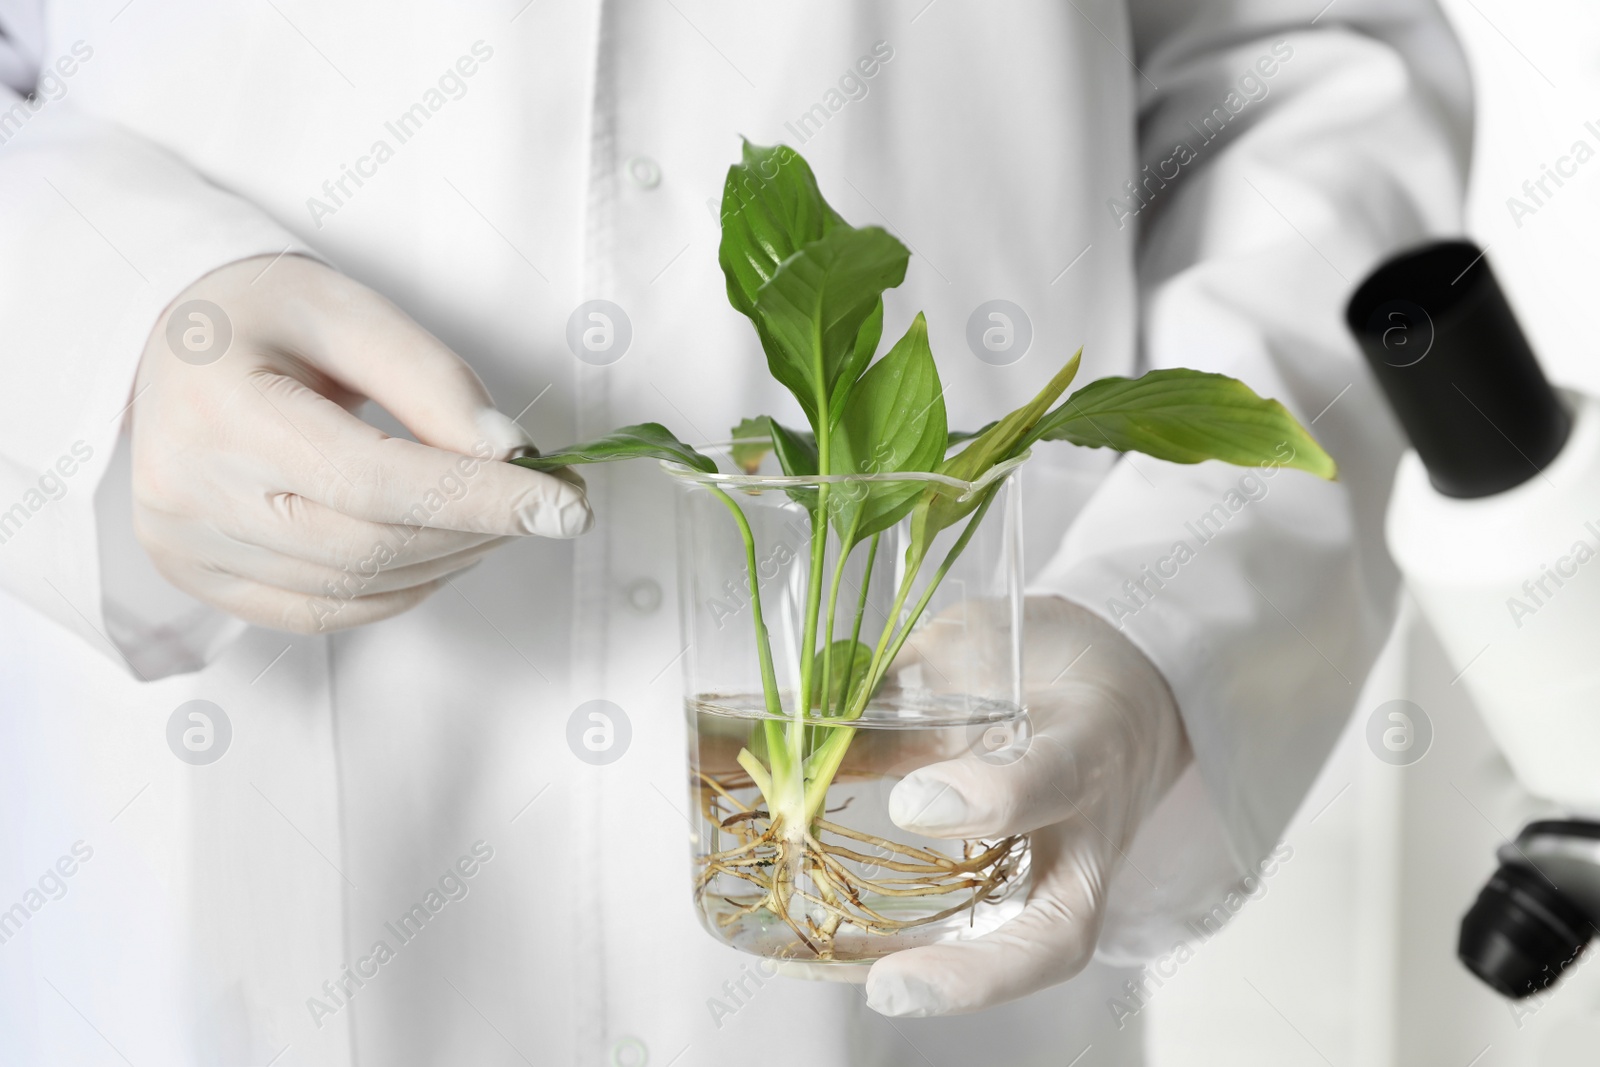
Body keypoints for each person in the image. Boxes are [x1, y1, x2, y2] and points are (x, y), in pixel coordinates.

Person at [0, 2, 1468, 1064]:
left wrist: (1162, 606)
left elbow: (1305, 71)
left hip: (938, 800)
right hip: (212, 842)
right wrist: (96, 339)